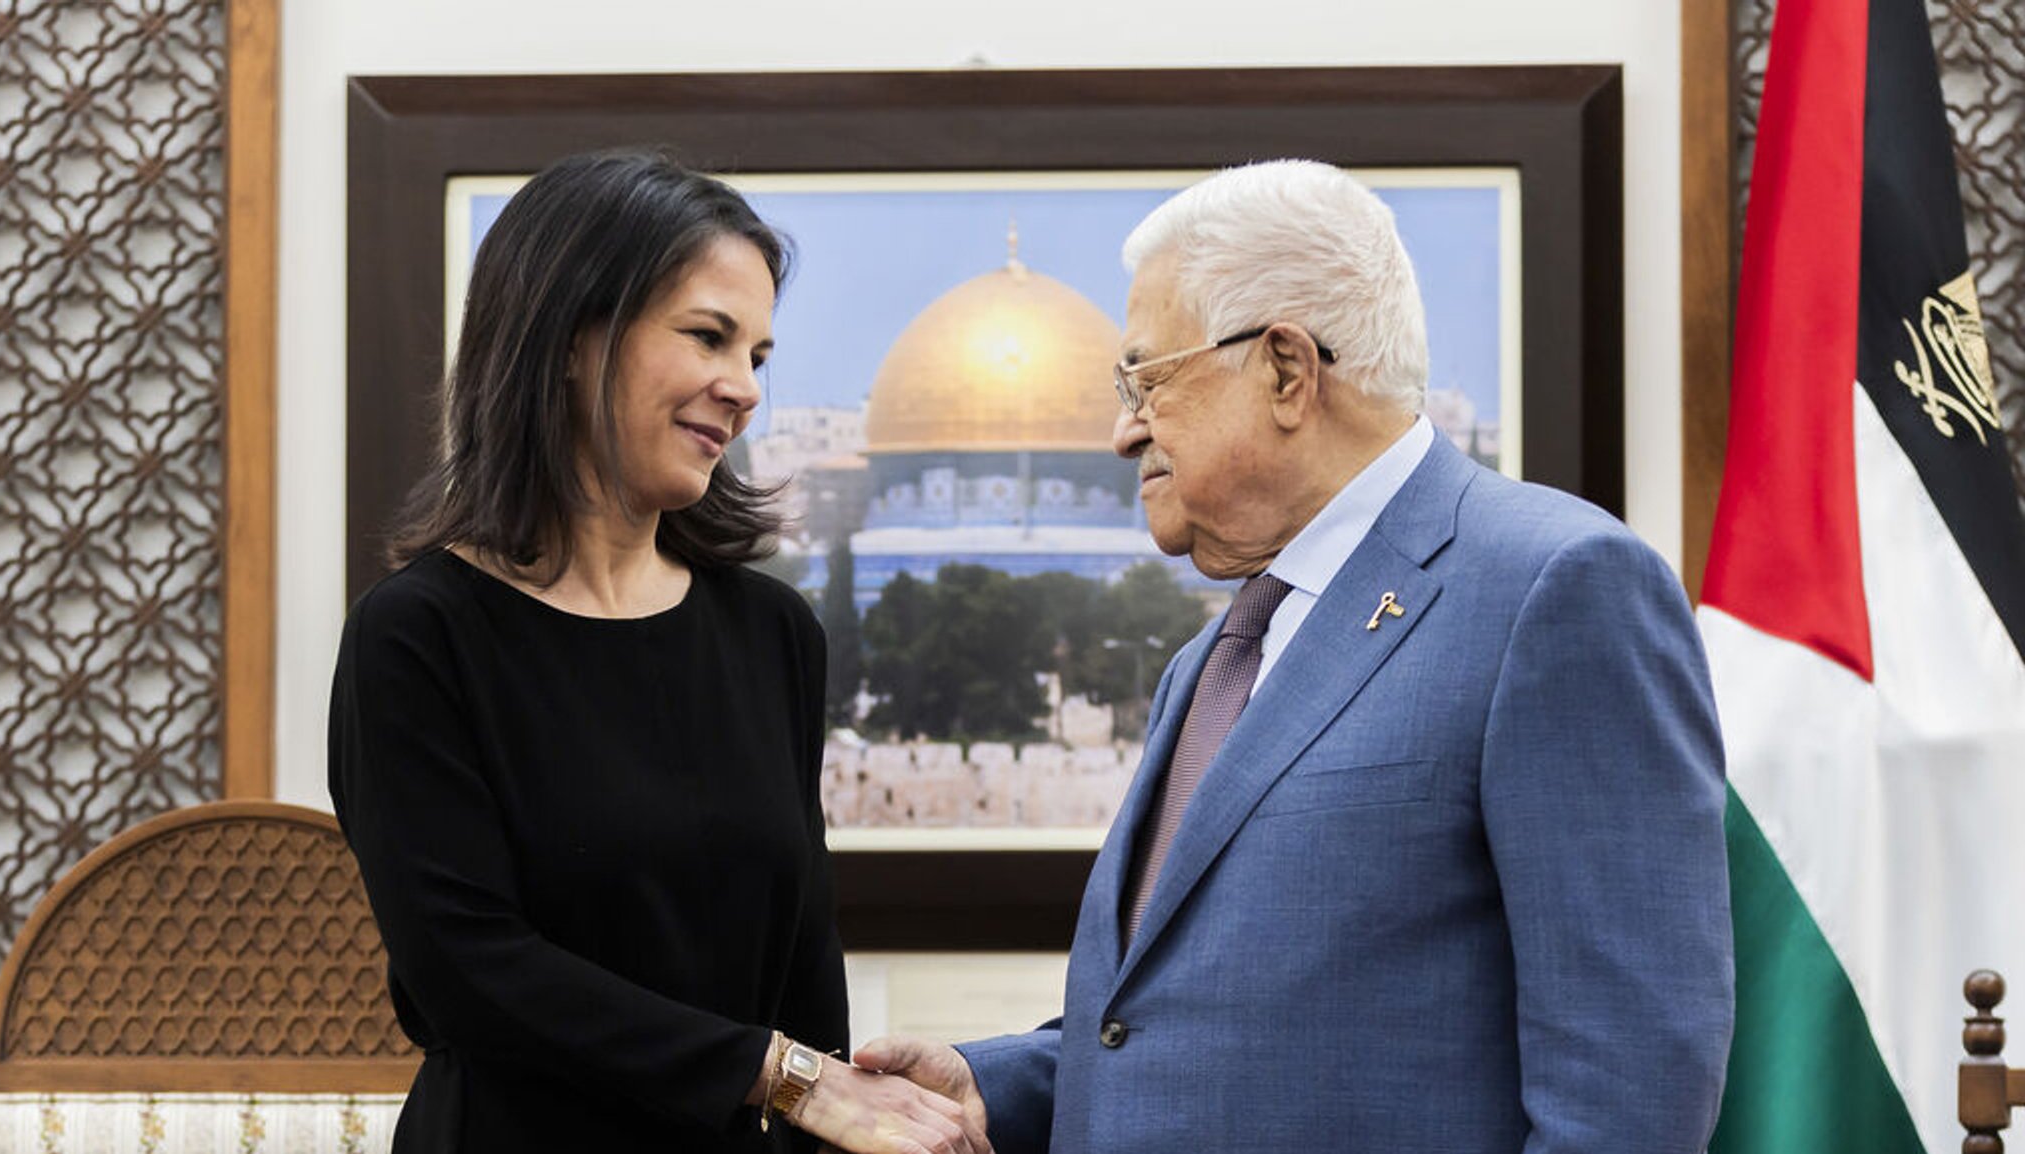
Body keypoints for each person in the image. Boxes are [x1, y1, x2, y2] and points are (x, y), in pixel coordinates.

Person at [856, 160, 1734, 1152]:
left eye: (1144, 378)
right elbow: (1188, 1030)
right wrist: (987, 1084)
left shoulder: (1554, 589)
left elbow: (1627, 1093)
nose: (1119, 430)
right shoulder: (1216, 655)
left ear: (1282, 367)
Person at [328, 149, 985, 1154]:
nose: (744, 388)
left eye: (758, 355)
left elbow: (805, 964)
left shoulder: (772, 633)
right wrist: (782, 1076)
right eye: (708, 336)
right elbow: (468, 969)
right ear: (568, 337)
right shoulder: (417, 635)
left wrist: (827, 1105)